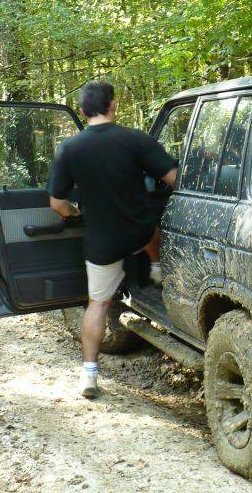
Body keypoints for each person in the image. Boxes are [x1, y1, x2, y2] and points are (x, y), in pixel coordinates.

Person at [47, 81, 177, 399]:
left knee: (98, 304)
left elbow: (56, 203)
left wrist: (72, 212)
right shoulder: (135, 139)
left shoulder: (70, 148)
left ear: (82, 111)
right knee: (153, 230)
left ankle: (89, 374)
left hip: (102, 242)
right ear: (112, 105)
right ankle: (157, 268)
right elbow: (173, 178)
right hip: (137, 231)